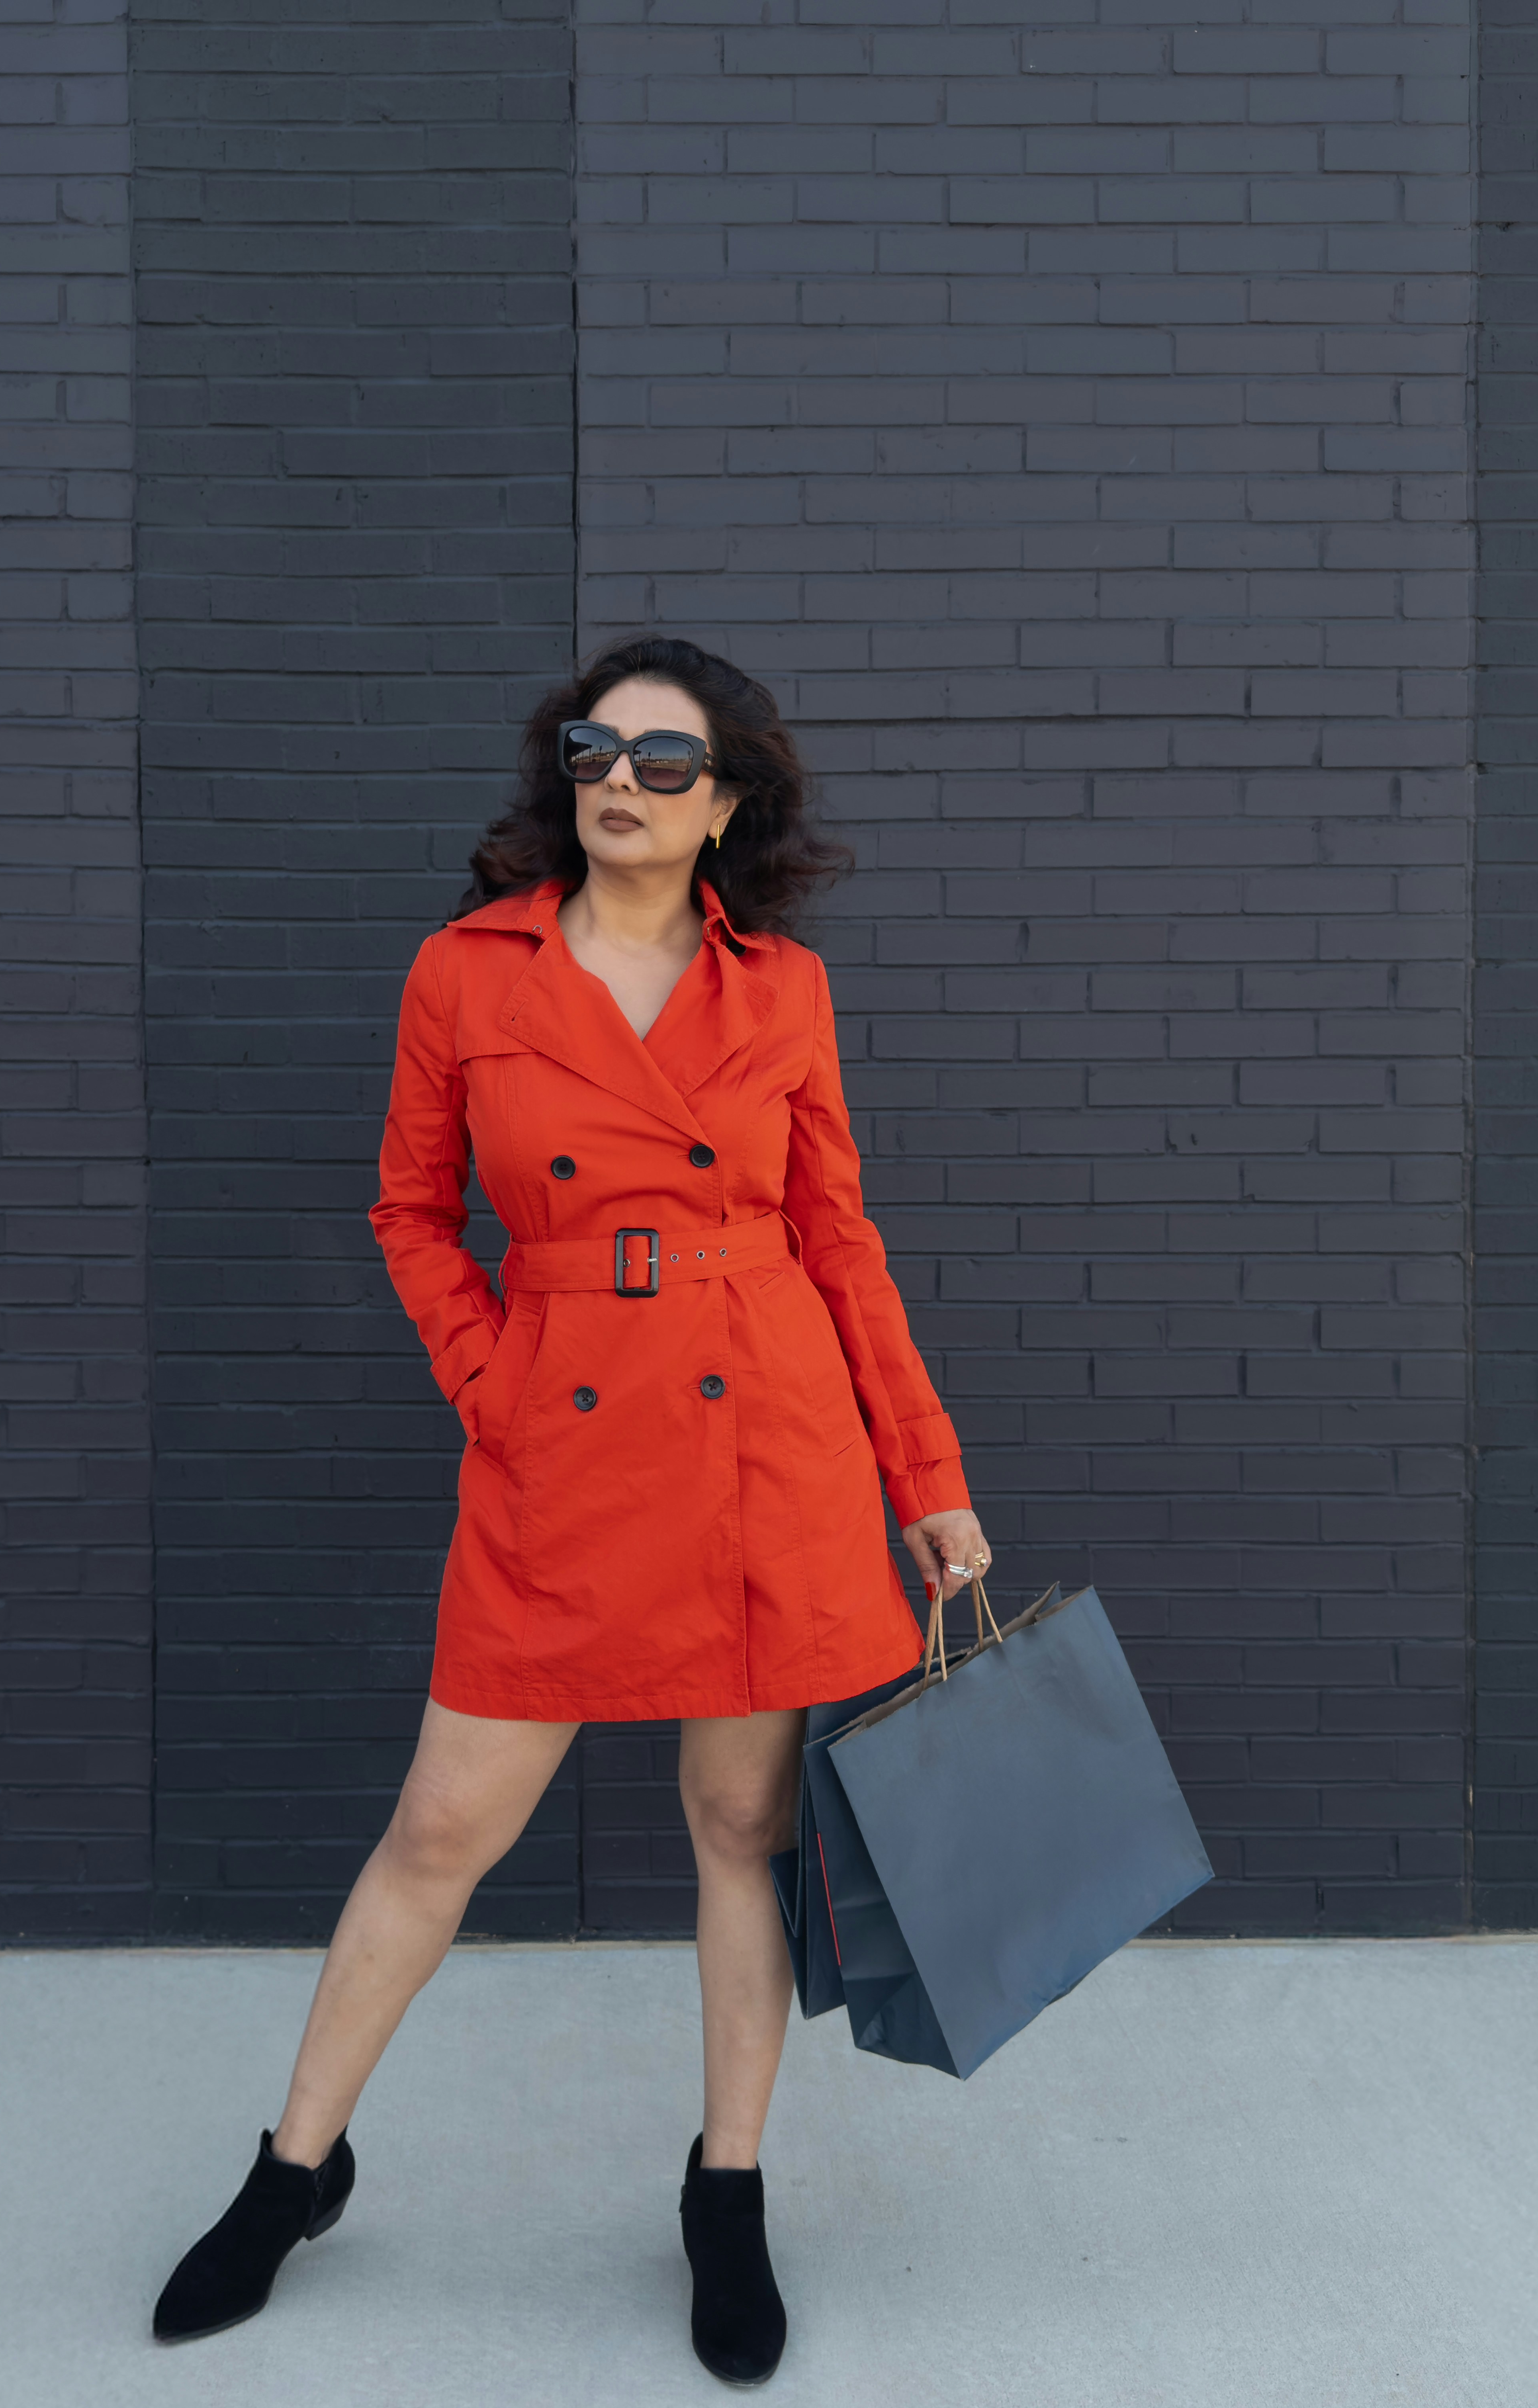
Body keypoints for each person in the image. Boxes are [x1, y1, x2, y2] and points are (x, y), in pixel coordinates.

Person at [149, 634, 991, 2386]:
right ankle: (295, 2169)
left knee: (737, 1831)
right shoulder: (467, 972)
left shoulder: (782, 995)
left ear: (726, 805)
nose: (621, 778)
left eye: (666, 762)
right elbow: (405, 1212)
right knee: (444, 1833)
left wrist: (926, 1475)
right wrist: (496, 1382)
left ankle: (729, 2186)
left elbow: (840, 1241)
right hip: (566, 1445)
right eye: (597, 749)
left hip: (765, 1438)